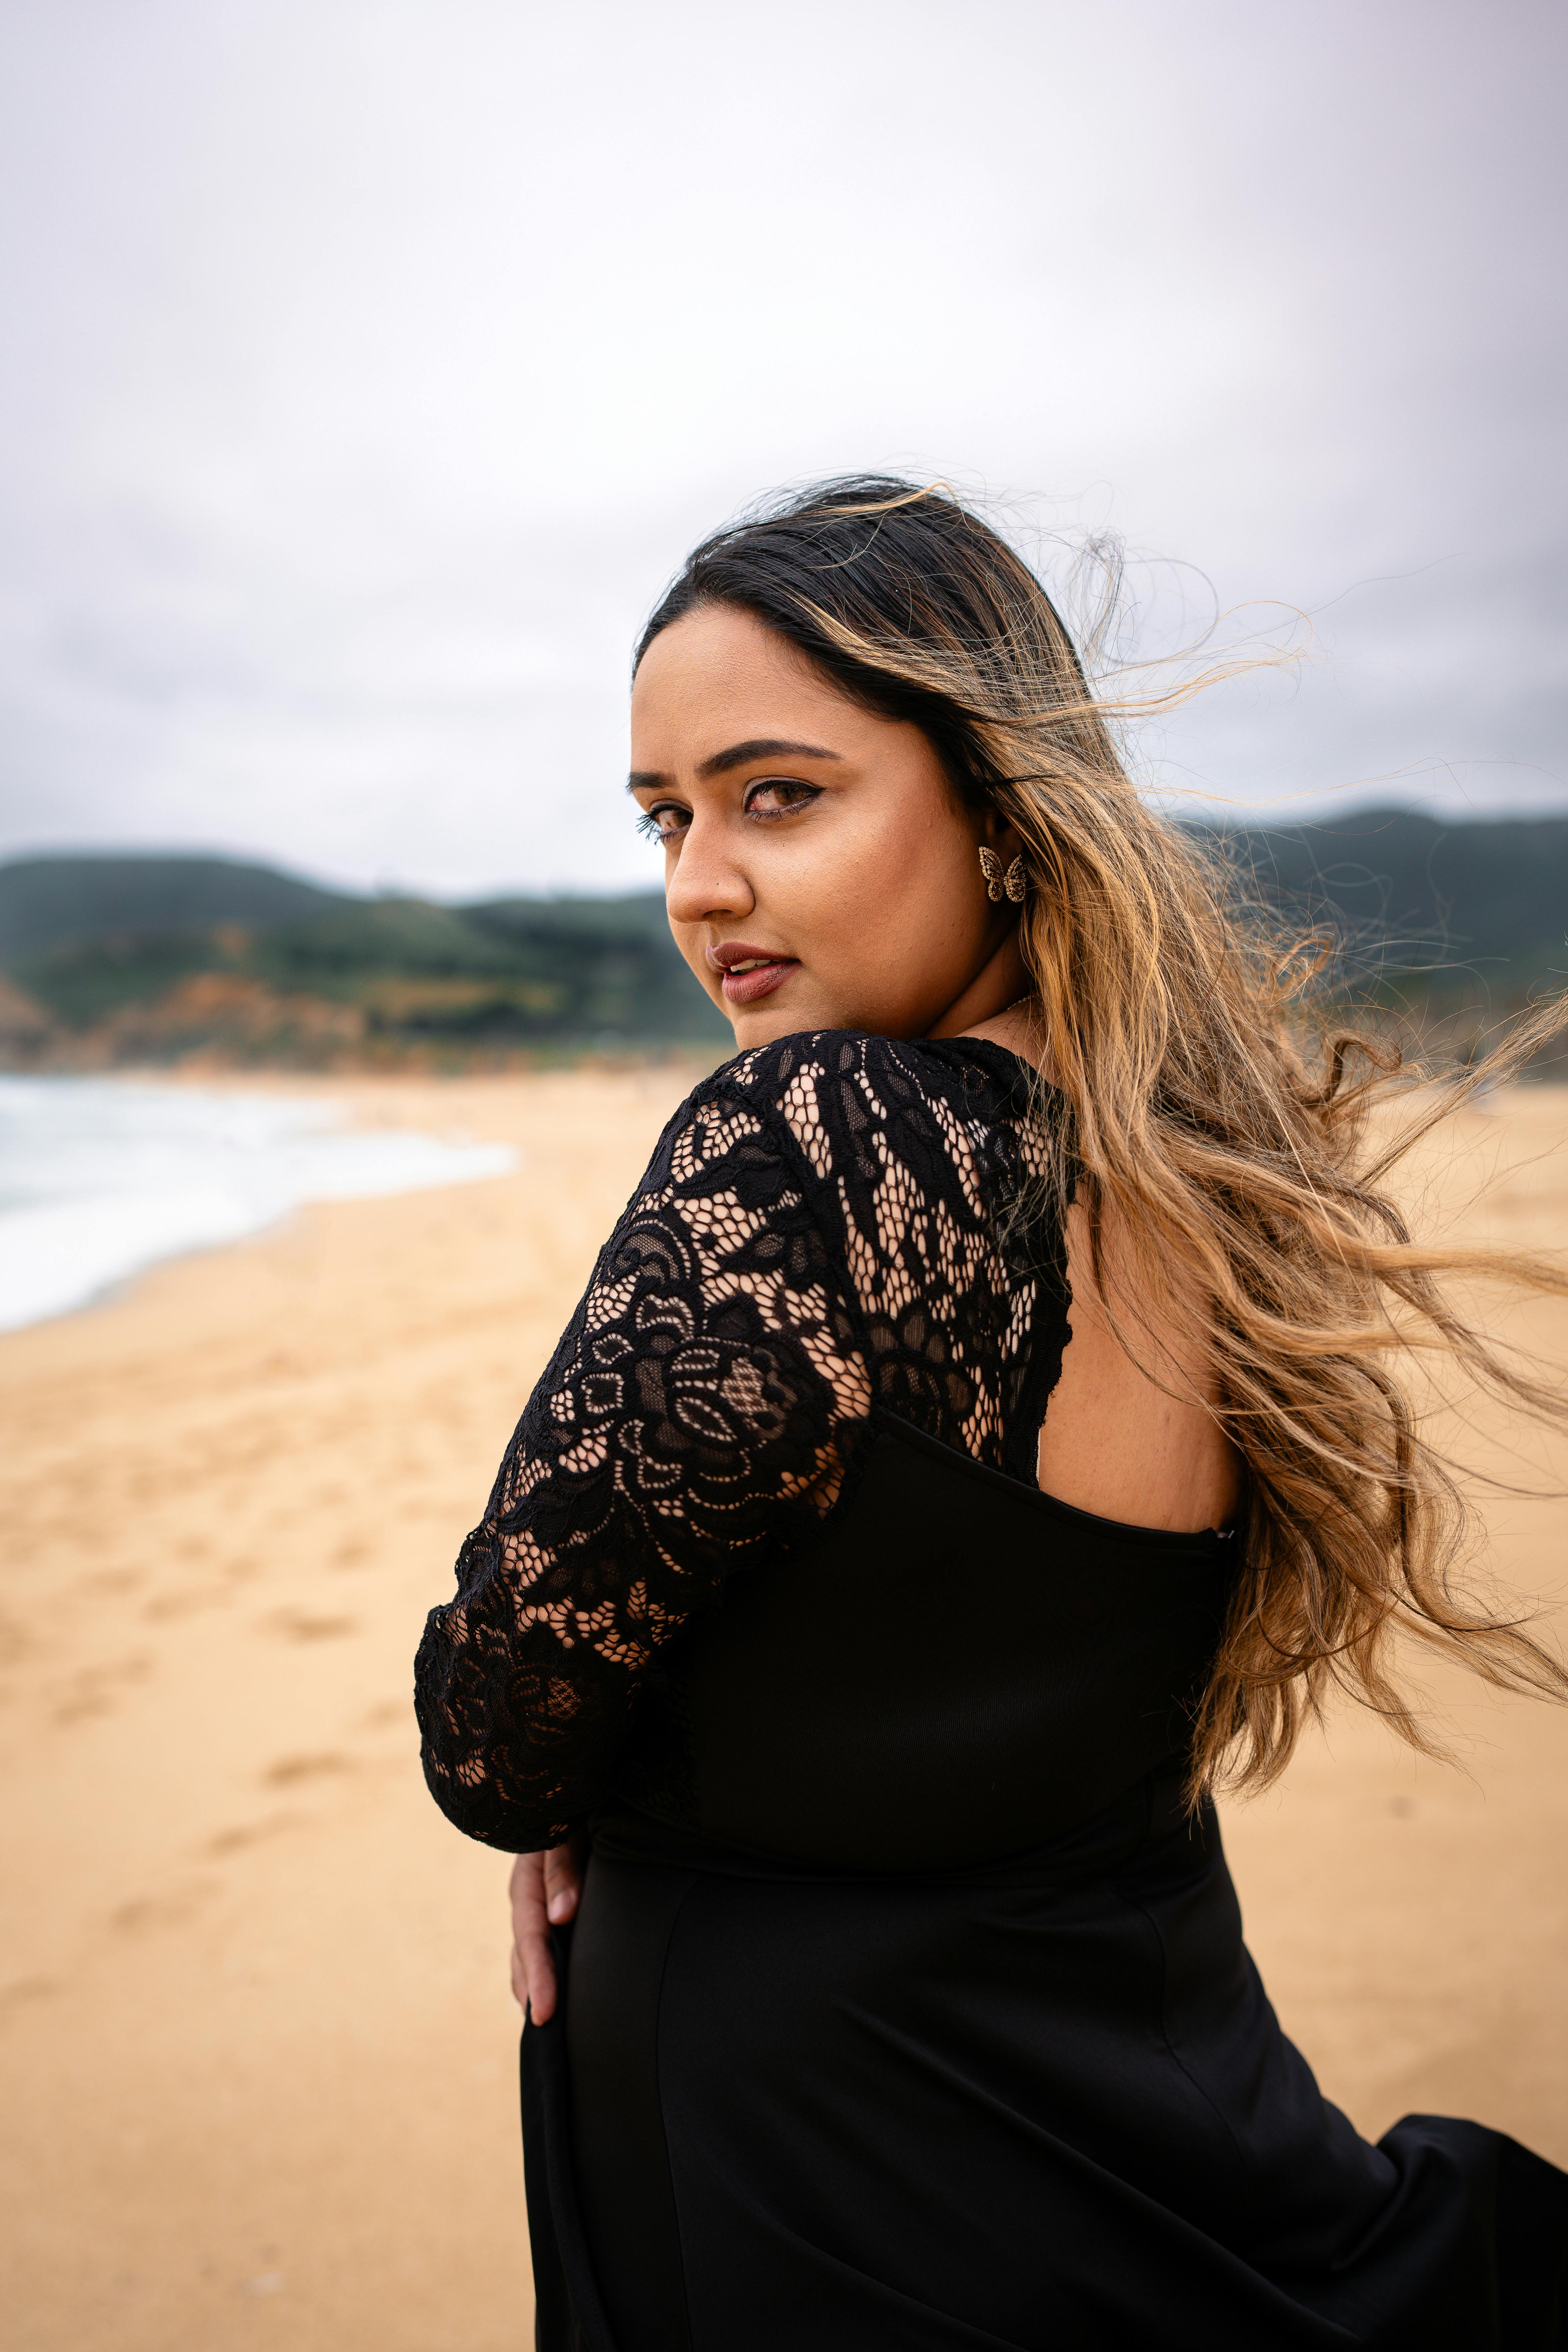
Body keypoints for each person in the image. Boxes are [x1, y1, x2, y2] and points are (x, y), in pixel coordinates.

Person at [414, 478, 1568, 2349]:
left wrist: (572, 1772)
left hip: (826, 2168)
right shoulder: (1198, 1176)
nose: (702, 883)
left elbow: (490, 1726)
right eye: (665, 817)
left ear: (1001, 806)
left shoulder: (819, 1139)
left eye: (778, 795)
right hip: (1147, 2101)